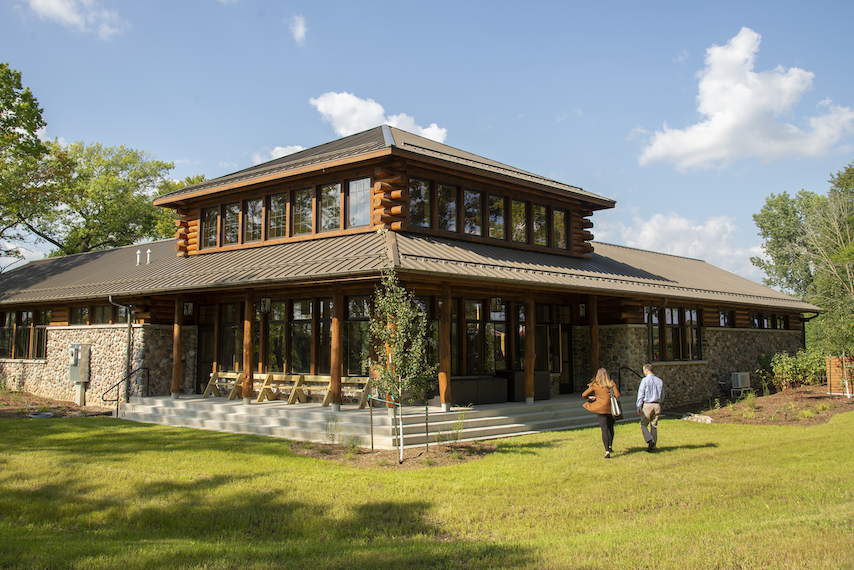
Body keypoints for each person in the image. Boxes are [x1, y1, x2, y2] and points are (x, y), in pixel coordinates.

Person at [582, 368, 621, 458]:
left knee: (604, 429)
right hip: (611, 409)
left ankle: (607, 451)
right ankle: (610, 446)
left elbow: (584, 395)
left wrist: (591, 398)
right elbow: (618, 395)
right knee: (611, 428)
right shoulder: (611, 383)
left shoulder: (595, 385)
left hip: (600, 409)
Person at [636, 363, 664, 452]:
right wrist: (660, 402)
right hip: (657, 404)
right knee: (654, 425)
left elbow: (641, 394)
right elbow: (662, 394)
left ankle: (649, 440)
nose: (643, 372)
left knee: (643, 424)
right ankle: (653, 445)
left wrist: (638, 406)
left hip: (647, 404)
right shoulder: (659, 381)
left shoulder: (644, 381)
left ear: (647, 370)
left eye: (644, 370)